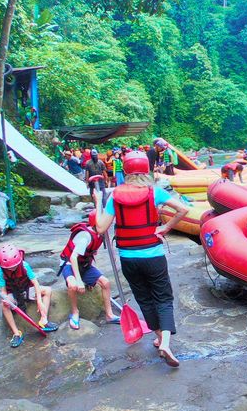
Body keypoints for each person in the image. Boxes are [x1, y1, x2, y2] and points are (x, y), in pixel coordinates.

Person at [96, 151, 189, 367]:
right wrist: (165, 227)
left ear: (125, 171)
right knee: (163, 298)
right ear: (146, 169)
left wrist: (98, 204)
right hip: (153, 255)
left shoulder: (115, 196)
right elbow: (183, 209)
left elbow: (101, 227)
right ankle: (165, 342)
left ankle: (157, 336)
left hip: (128, 258)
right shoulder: (154, 192)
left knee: (145, 298)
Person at [59, 210, 119, 329]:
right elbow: (73, 257)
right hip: (69, 264)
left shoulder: (101, 233)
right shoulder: (85, 236)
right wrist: (80, 281)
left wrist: (113, 256)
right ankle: (75, 312)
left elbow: (95, 250)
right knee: (73, 285)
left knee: (105, 282)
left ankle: (109, 315)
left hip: (84, 265)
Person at [0, 244, 58, 347]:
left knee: (48, 290)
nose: (12, 269)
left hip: (26, 290)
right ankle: (16, 333)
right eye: (9, 268)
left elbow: (36, 284)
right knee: (4, 305)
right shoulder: (0, 271)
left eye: (14, 266)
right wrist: (5, 298)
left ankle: (43, 320)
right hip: (13, 294)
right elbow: (3, 290)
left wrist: (39, 301)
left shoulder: (24, 265)